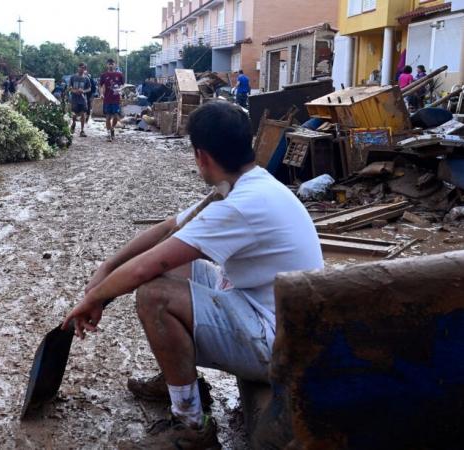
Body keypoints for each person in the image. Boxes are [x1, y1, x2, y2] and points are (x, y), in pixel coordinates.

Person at [62, 101, 323, 448]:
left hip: (279, 344)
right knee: (178, 269)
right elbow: (170, 227)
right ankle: (181, 381)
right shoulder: (248, 185)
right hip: (271, 313)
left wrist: (94, 299)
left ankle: (191, 424)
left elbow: (148, 266)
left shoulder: (240, 206)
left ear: (201, 156)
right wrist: (107, 268)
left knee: (154, 295)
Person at [99, 58, 124, 142]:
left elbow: (123, 86)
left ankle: (113, 128)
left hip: (116, 99)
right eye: (109, 63)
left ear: (115, 65)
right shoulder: (104, 75)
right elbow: (101, 86)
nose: (110, 65)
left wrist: (120, 91)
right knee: (108, 117)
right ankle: (108, 134)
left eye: (112, 63)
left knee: (116, 116)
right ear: (107, 65)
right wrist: (101, 94)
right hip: (107, 99)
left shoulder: (119, 75)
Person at [69, 63, 91, 137]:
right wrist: (74, 91)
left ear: (85, 69)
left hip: (82, 99)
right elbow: (69, 87)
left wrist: (83, 91)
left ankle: (82, 130)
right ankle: (73, 123)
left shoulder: (86, 78)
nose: (82, 69)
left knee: (83, 114)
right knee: (74, 114)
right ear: (78, 68)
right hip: (74, 99)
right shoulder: (73, 77)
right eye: (81, 67)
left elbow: (89, 88)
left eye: (83, 68)